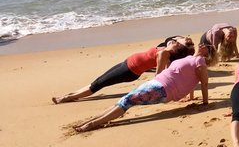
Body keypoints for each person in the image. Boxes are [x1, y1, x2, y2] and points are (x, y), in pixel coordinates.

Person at [73, 42, 211, 133]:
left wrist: (205, 103)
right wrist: (190, 97)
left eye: (206, 45)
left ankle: (92, 124)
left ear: (207, 52)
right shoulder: (188, 58)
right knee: (124, 99)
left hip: (164, 89)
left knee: (127, 101)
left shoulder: (200, 61)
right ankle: (93, 120)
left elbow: (203, 82)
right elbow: (189, 79)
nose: (202, 44)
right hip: (158, 82)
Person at [52, 37, 194, 104]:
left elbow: (158, 75)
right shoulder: (166, 46)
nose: (176, 40)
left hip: (130, 71)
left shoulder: (165, 54)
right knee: (98, 80)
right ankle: (73, 94)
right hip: (127, 63)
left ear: (177, 48)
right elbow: (172, 39)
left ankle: (66, 98)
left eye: (178, 42)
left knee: (99, 84)